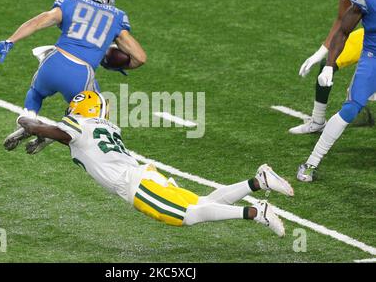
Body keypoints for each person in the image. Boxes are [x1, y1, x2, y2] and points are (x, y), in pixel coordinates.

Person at [16, 91, 294, 236]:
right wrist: (45, 134)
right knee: (201, 202)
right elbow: (71, 138)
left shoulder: (76, 124)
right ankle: (259, 181)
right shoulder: (104, 127)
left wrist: (25, 122)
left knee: (189, 216)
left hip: (134, 184)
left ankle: (257, 213)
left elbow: (52, 129)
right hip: (145, 175)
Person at [0, 0, 146, 150]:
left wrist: (10, 41)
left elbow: (38, 22)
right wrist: (118, 65)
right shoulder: (116, 17)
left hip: (53, 61)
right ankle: (51, 135)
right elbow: (140, 57)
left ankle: (27, 118)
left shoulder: (69, 1)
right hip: (81, 73)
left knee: (36, 93)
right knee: (92, 115)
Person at [298, 0, 376, 181]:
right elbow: (343, 32)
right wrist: (329, 66)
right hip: (373, 56)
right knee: (350, 109)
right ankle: (311, 162)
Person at [291, 0, 375, 134]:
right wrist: (320, 52)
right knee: (328, 63)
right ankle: (317, 120)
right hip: (370, 35)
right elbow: (342, 20)